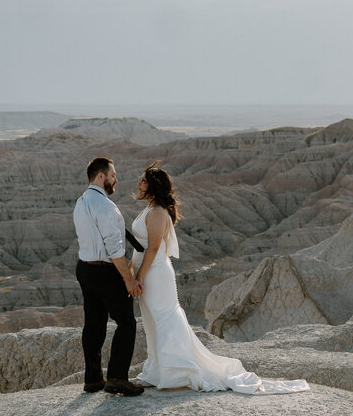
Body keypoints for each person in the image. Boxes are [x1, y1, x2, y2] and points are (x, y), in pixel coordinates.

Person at [131, 163, 310, 395]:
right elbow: (140, 246)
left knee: (164, 318)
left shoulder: (156, 213)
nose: (139, 183)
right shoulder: (149, 209)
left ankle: (175, 371)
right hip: (147, 271)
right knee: (152, 319)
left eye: (143, 180)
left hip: (155, 273)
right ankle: (158, 369)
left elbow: (154, 248)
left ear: (153, 186)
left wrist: (138, 276)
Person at [73, 157, 145, 396]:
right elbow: (114, 249)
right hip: (105, 271)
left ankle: (93, 379)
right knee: (126, 323)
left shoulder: (81, 202)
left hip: (85, 268)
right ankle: (117, 378)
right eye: (113, 175)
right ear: (101, 176)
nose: (116, 179)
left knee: (94, 324)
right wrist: (128, 279)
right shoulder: (105, 206)